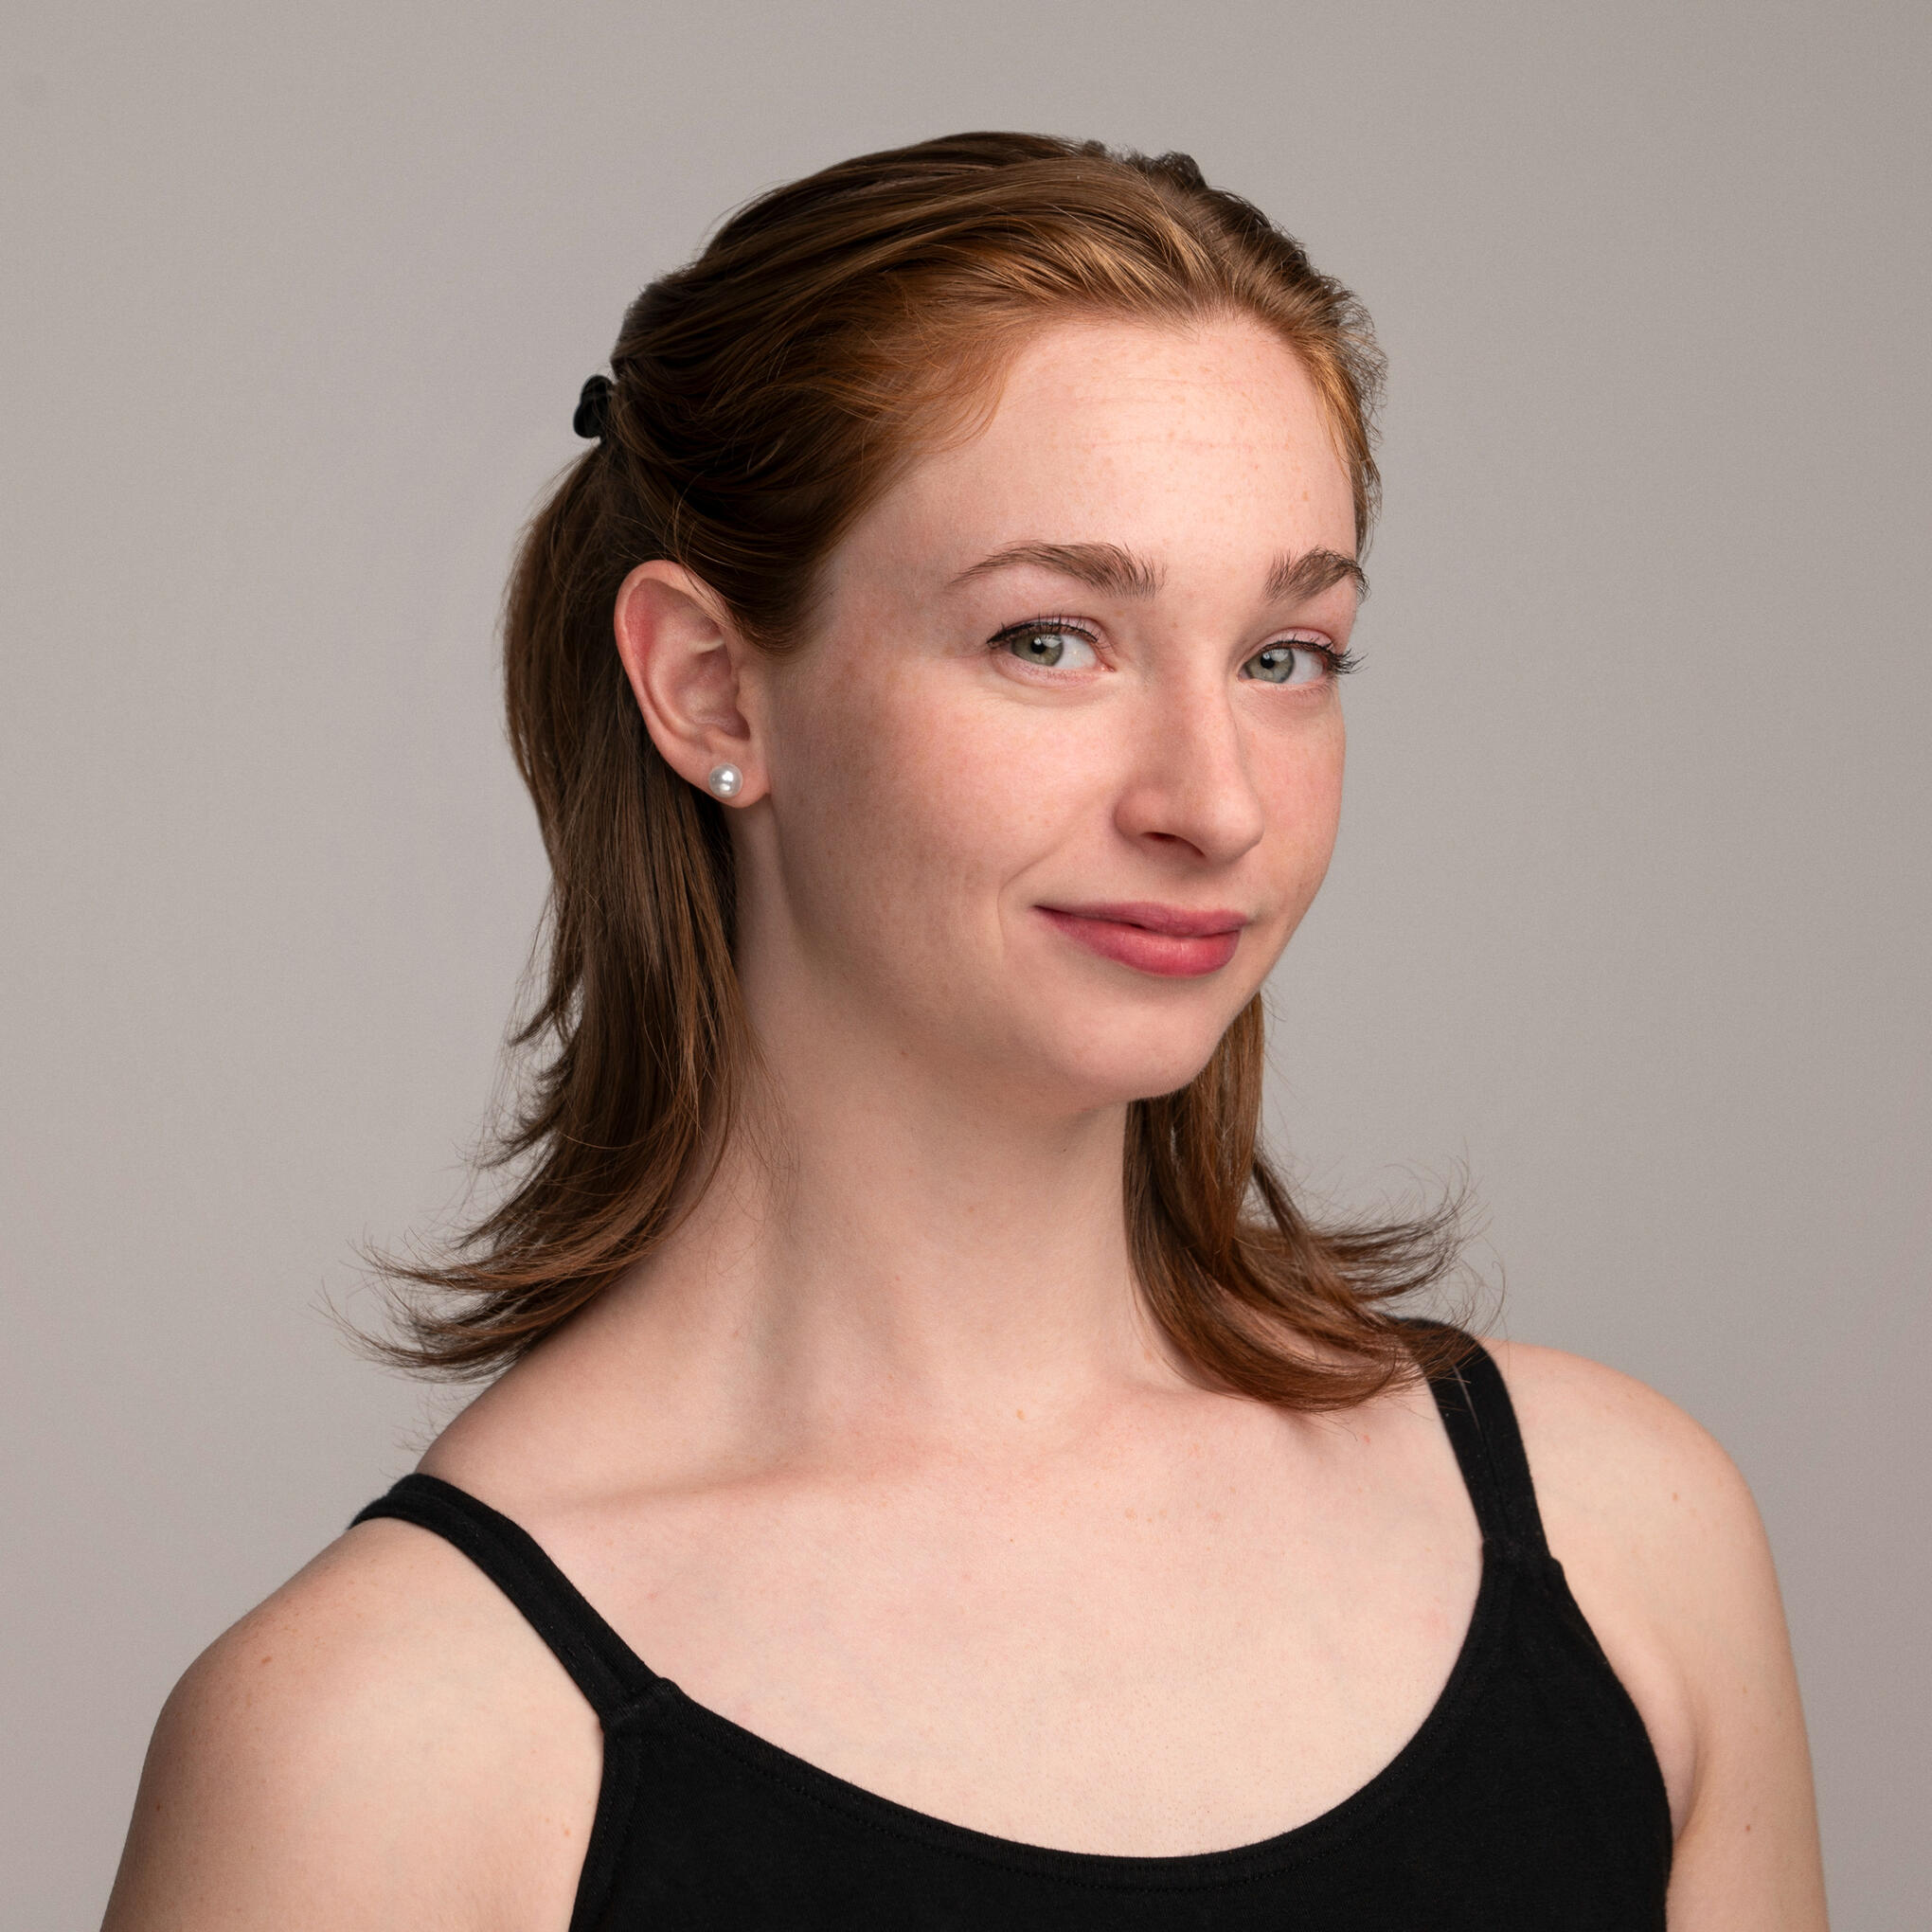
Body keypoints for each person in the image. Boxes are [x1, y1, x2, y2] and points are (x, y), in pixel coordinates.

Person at [101, 134, 1827, 1929]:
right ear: (710, 688)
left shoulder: (1626, 1540)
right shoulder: (385, 1744)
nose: (1214, 803)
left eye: (1284, 656)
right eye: (1051, 641)